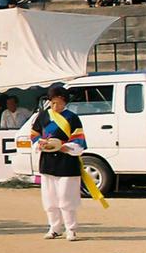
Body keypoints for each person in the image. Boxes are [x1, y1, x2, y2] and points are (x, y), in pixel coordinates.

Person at [31, 85, 108, 241]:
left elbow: (79, 140)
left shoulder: (72, 118)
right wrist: (40, 143)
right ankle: (54, 228)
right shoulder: (43, 116)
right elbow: (34, 135)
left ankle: (71, 229)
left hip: (67, 162)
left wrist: (67, 147)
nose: (55, 106)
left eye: (59, 103)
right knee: (50, 198)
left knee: (66, 197)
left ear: (65, 102)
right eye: (52, 102)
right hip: (48, 162)